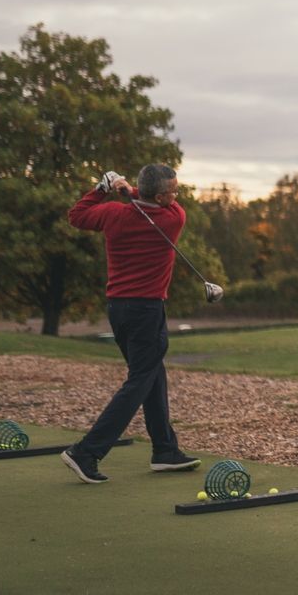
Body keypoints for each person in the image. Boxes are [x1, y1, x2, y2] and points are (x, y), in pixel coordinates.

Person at [62, 164, 202, 483]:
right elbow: (151, 200)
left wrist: (104, 188)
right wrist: (131, 191)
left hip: (118, 309)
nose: (176, 196)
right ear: (161, 196)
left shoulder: (112, 213)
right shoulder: (173, 218)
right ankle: (86, 452)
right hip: (147, 311)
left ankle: (165, 450)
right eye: (173, 191)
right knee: (139, 380)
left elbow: (77, 216)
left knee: (152, 374)